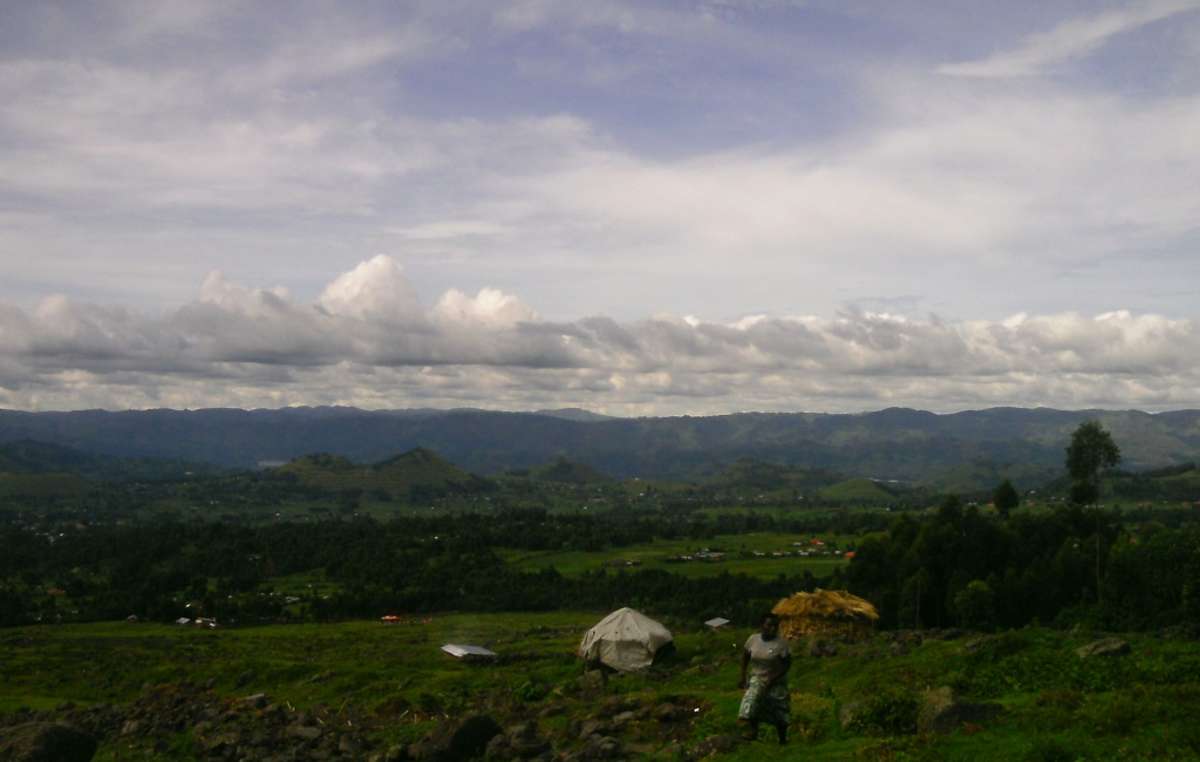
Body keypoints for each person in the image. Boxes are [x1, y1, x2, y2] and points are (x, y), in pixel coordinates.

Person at [737, 612, 791, 744]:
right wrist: (743, 676)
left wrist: (773, 679)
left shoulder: (781, 644)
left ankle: (783, 740)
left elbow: (787, 664)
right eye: (769, 625)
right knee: (752, 700)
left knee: (779, 710)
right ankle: (752, 732)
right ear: (762, 626)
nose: (772, 628)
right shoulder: (753, 640)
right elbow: (745, 657)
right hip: (758, 677)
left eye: (775, 626)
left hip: (776, 680)